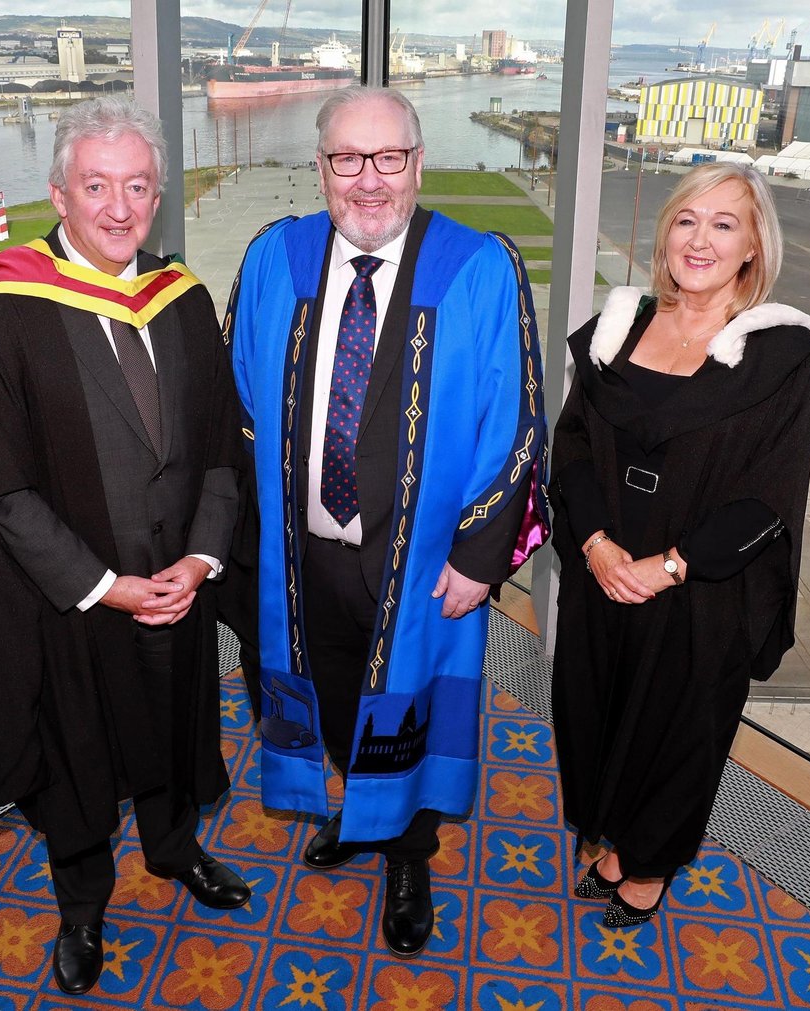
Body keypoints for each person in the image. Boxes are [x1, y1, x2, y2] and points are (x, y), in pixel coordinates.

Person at [0, 96, 250, 996]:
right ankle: (82, 901)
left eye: (137, 186)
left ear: (157, 195)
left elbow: (221, 449)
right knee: (77, 754)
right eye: (97, 185)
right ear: (59, 193)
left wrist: (202, 559)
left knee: (176, 724)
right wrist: (105, 584)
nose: (119, 207)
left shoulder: (182, 299)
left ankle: (175, 848)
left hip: (176, 582)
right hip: (73, 598)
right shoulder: (1, 314)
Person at [226, 87, 548, 959]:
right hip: (304, 556)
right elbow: (240, 402)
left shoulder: (478, 266)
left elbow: (515, 421)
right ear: (320, 166)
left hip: (424, 564)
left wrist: (482, 555)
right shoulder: (275, 256)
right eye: (347, 159)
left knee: (409, 708)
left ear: (418, 162)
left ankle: (409, 852)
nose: (368, 180)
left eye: (388, 158)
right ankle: (362, 810)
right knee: (332, 696)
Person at [549, 162, 810, 928]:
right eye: (686, 220)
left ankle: (647, 867)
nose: (700, 240)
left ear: (753, 247)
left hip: (701, 588)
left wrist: (671, 565)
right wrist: (596, 544)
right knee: (600, 713)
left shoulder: (780, 357)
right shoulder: (620, 327)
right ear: (665, 232)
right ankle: (614, 842)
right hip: (606, 571)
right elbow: (574, 446)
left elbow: (769, 495)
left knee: (678, 736)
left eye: (724, 224)